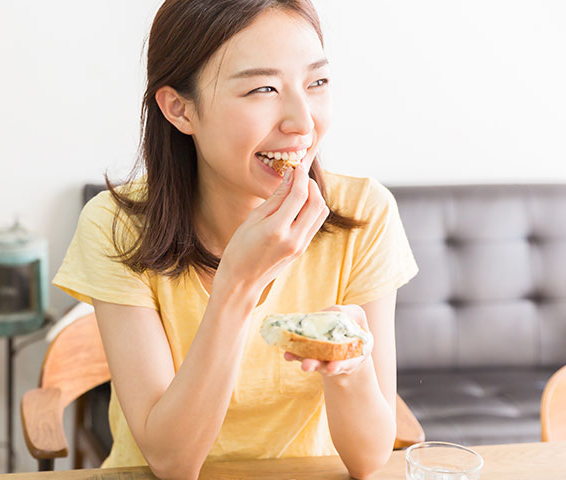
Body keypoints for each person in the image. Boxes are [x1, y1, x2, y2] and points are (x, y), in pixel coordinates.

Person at [53, 1, 418, 479]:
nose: (302, 122)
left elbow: (370, 460)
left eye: (317, 83)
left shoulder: (364, 213)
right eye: (262, 88)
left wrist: (347, 363)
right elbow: (171, 462)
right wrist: (238, 284)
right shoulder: (115, 226)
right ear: (179, 109)